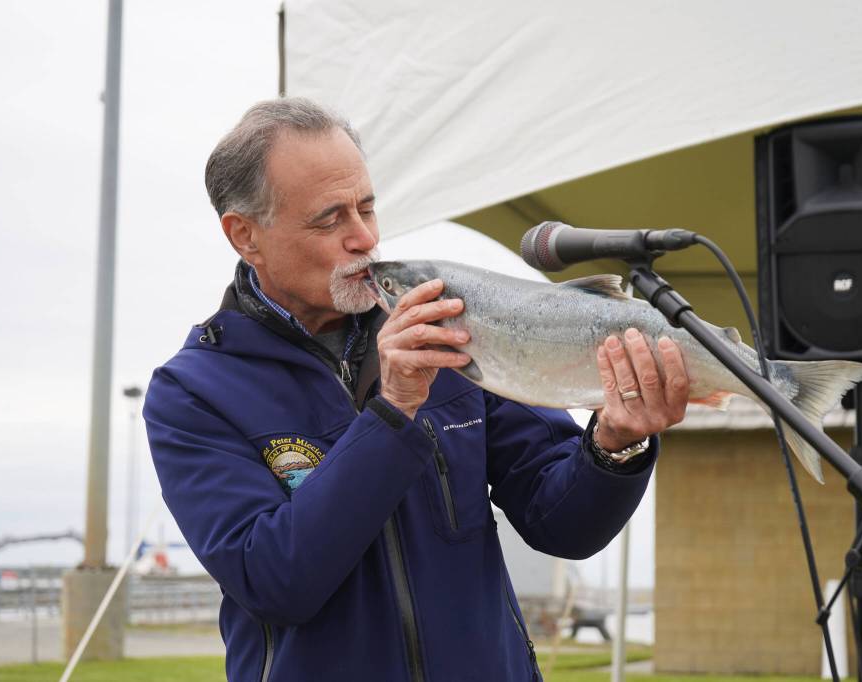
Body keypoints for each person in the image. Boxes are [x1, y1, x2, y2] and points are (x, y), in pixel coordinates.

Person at [144, 97, 689, 682]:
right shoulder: (193, 392)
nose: (364, 239)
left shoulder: (444, 324)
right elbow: (276, 582)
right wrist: (394, 410)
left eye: (368, 208)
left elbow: (562, 524)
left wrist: (614, 444)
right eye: (330, 218)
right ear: (244, 235)